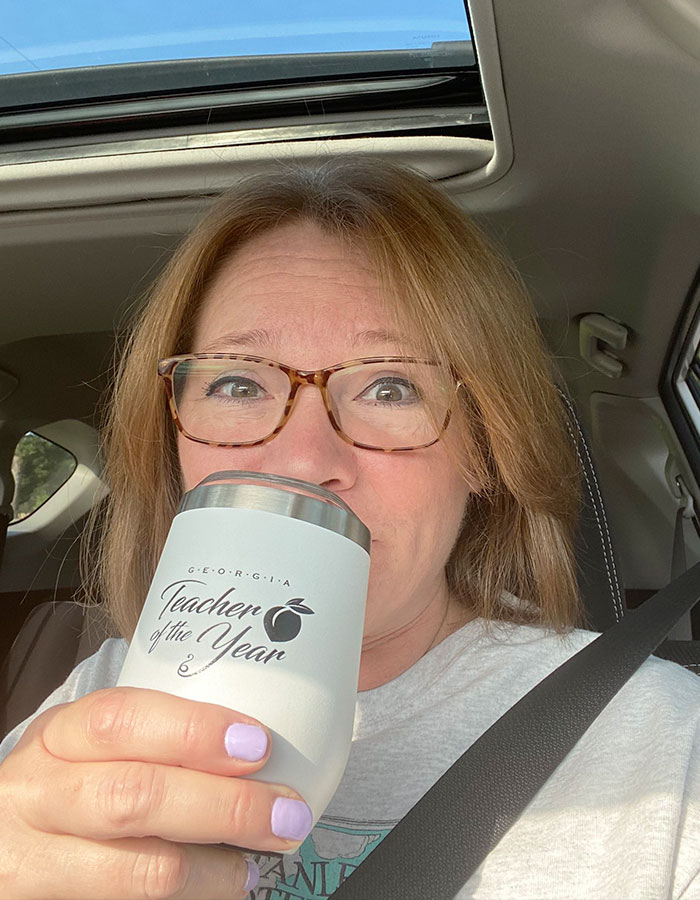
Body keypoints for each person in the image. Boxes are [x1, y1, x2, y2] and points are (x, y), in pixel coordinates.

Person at [1, 157, 699, 900]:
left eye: (391, 386)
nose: (303, 459)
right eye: (238, 382)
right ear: (172, 441)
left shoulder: (658, 744)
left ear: (487, 450)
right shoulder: (94, 702)